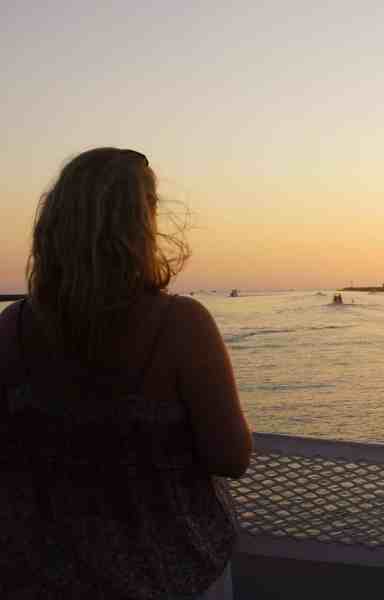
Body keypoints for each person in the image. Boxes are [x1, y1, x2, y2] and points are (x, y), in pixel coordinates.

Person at [0, 148, 252, 599]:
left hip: (41, 573)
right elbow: (231, 457)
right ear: (139, 224)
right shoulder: (182, 325)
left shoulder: (10, 329)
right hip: (171, 571)